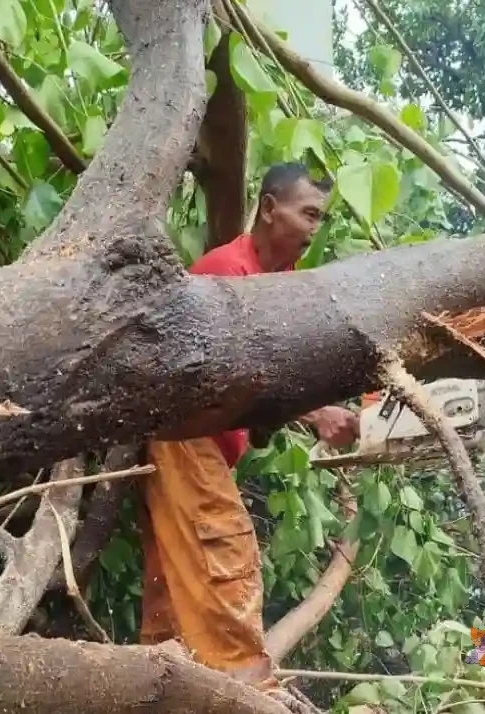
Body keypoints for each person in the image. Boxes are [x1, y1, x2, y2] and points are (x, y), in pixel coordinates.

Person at [138, 163, 359, 690]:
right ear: (267, 207)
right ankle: (246, 688)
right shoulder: (224, 271)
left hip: (208, 446)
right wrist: (314, 413)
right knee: (224, 550)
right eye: (307, 213)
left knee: (173, 575)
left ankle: (166, 685)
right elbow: (231, 371)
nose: (313, 228)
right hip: (182, 435)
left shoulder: (281, 284)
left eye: (320, 218)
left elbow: (283, 376)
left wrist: (332, 411)